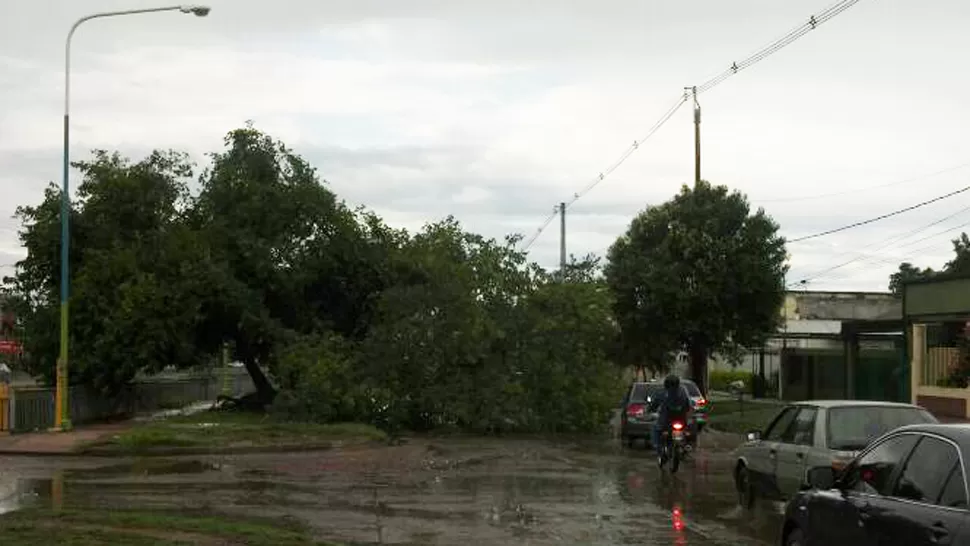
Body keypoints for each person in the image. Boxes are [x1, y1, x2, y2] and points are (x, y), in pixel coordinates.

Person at [651, 374, 692, 467]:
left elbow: (654, 405)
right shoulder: (682, 391)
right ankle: (685, 446)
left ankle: (658, 448)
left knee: (655, 429)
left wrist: (650, 410)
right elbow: (688, 406)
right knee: (686, 432)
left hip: (666, 422)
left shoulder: (662, 392)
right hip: (681, 420)